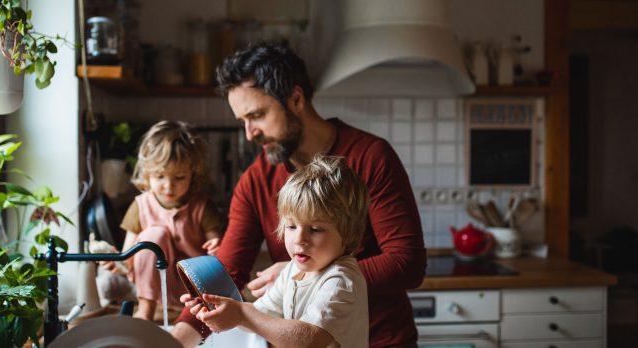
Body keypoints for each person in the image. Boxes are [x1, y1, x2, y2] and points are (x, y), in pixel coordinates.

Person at [171, 42, 426, 347]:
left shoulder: (371, 157)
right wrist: (176, 340)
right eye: (244, 121)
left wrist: (308, 272)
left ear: (295, 99)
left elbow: (407, 263)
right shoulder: (256, 180)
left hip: (382, 341)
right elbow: (226, 272)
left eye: (258, 115)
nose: (250, 133)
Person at [185, 155, 369, 347]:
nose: (299, 239)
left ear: (349, 233)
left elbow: (308, 340)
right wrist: (224, 310)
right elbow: (260, 317)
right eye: (291, 226)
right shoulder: (293, 271)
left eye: (315, 229)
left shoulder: (341, 281)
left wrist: (242, 315)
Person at [102, 120, 224, 321]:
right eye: (159, 176)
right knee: (153, 236)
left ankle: (193, 313)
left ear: (193, 174)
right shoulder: (140, 205)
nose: (168, 186)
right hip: (155, 289)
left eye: (179, 177)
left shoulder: (202, 206)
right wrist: (117, 261)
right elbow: (128, 257)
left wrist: (217, 247)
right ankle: (145, 311)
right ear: (147, 174)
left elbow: (219, 247)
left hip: (195, 287)